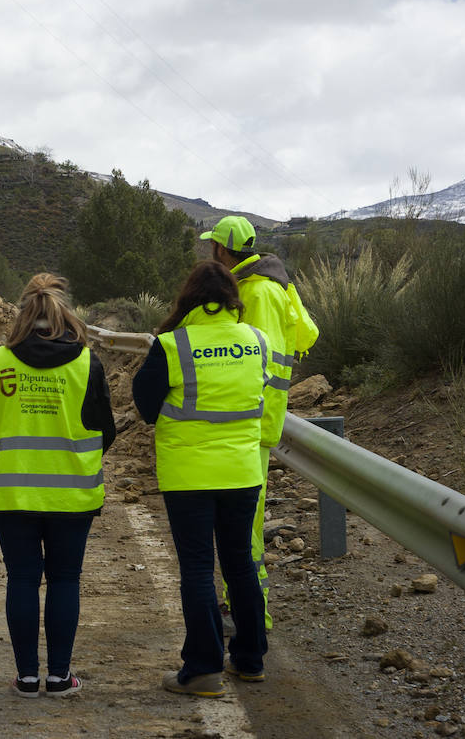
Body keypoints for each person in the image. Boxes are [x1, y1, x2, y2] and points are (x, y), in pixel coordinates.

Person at [0, 273, 118, 699]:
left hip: (11, 492)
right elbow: (105, 430)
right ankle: (59, 677)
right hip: (71, 493)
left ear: (22, 311)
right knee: (65, 578)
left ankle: (25, 678)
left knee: (21, 578)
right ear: (63, 311)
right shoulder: (87, 363)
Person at [131, 260, 270, 697]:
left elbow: (145, 407)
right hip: (243, 470)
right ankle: (249, 660)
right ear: (232, 298)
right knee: (240, 564)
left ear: (188, 298)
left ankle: (204, 668)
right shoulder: (257, 341)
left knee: (196, 567)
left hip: (188, 474)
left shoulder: (173, 345)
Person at [202, 215, 318, 633]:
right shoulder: (267, 283)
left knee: (245, 527)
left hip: (252, 422)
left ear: (220, 249)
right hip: (255, 420)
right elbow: (306, 335)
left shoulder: (258, 291)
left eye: (210, 246)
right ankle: (243, 605)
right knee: (240, 523)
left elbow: (259, 362)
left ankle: (253, 613)